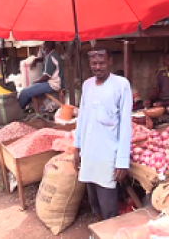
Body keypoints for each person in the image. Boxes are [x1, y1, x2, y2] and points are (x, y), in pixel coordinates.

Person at [73, 48, 133, 220]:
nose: (97, 67)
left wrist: (122, 161)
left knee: (108, 206)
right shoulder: (87, 85)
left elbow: (125, 125)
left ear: (110, 62)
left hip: (108, 154)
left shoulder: (121, 85)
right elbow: (82, 118)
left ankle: (109, 231)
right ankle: (99, 231)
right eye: (94, 63)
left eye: (101, 63)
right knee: (95, 203)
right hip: (89, 152)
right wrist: (76, 148)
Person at [18, 41, 64, 109]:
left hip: (53, 85)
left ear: (46, 47)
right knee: (31, 89)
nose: (43, 48)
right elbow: (44, 58)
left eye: (44, 46)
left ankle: (19, 110)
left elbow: (46, 76)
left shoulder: (50, 57)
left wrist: (36, 81)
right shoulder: (54, 54)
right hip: (55, 83)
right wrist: (36, 60)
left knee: (24, 92)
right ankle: (27, 108)